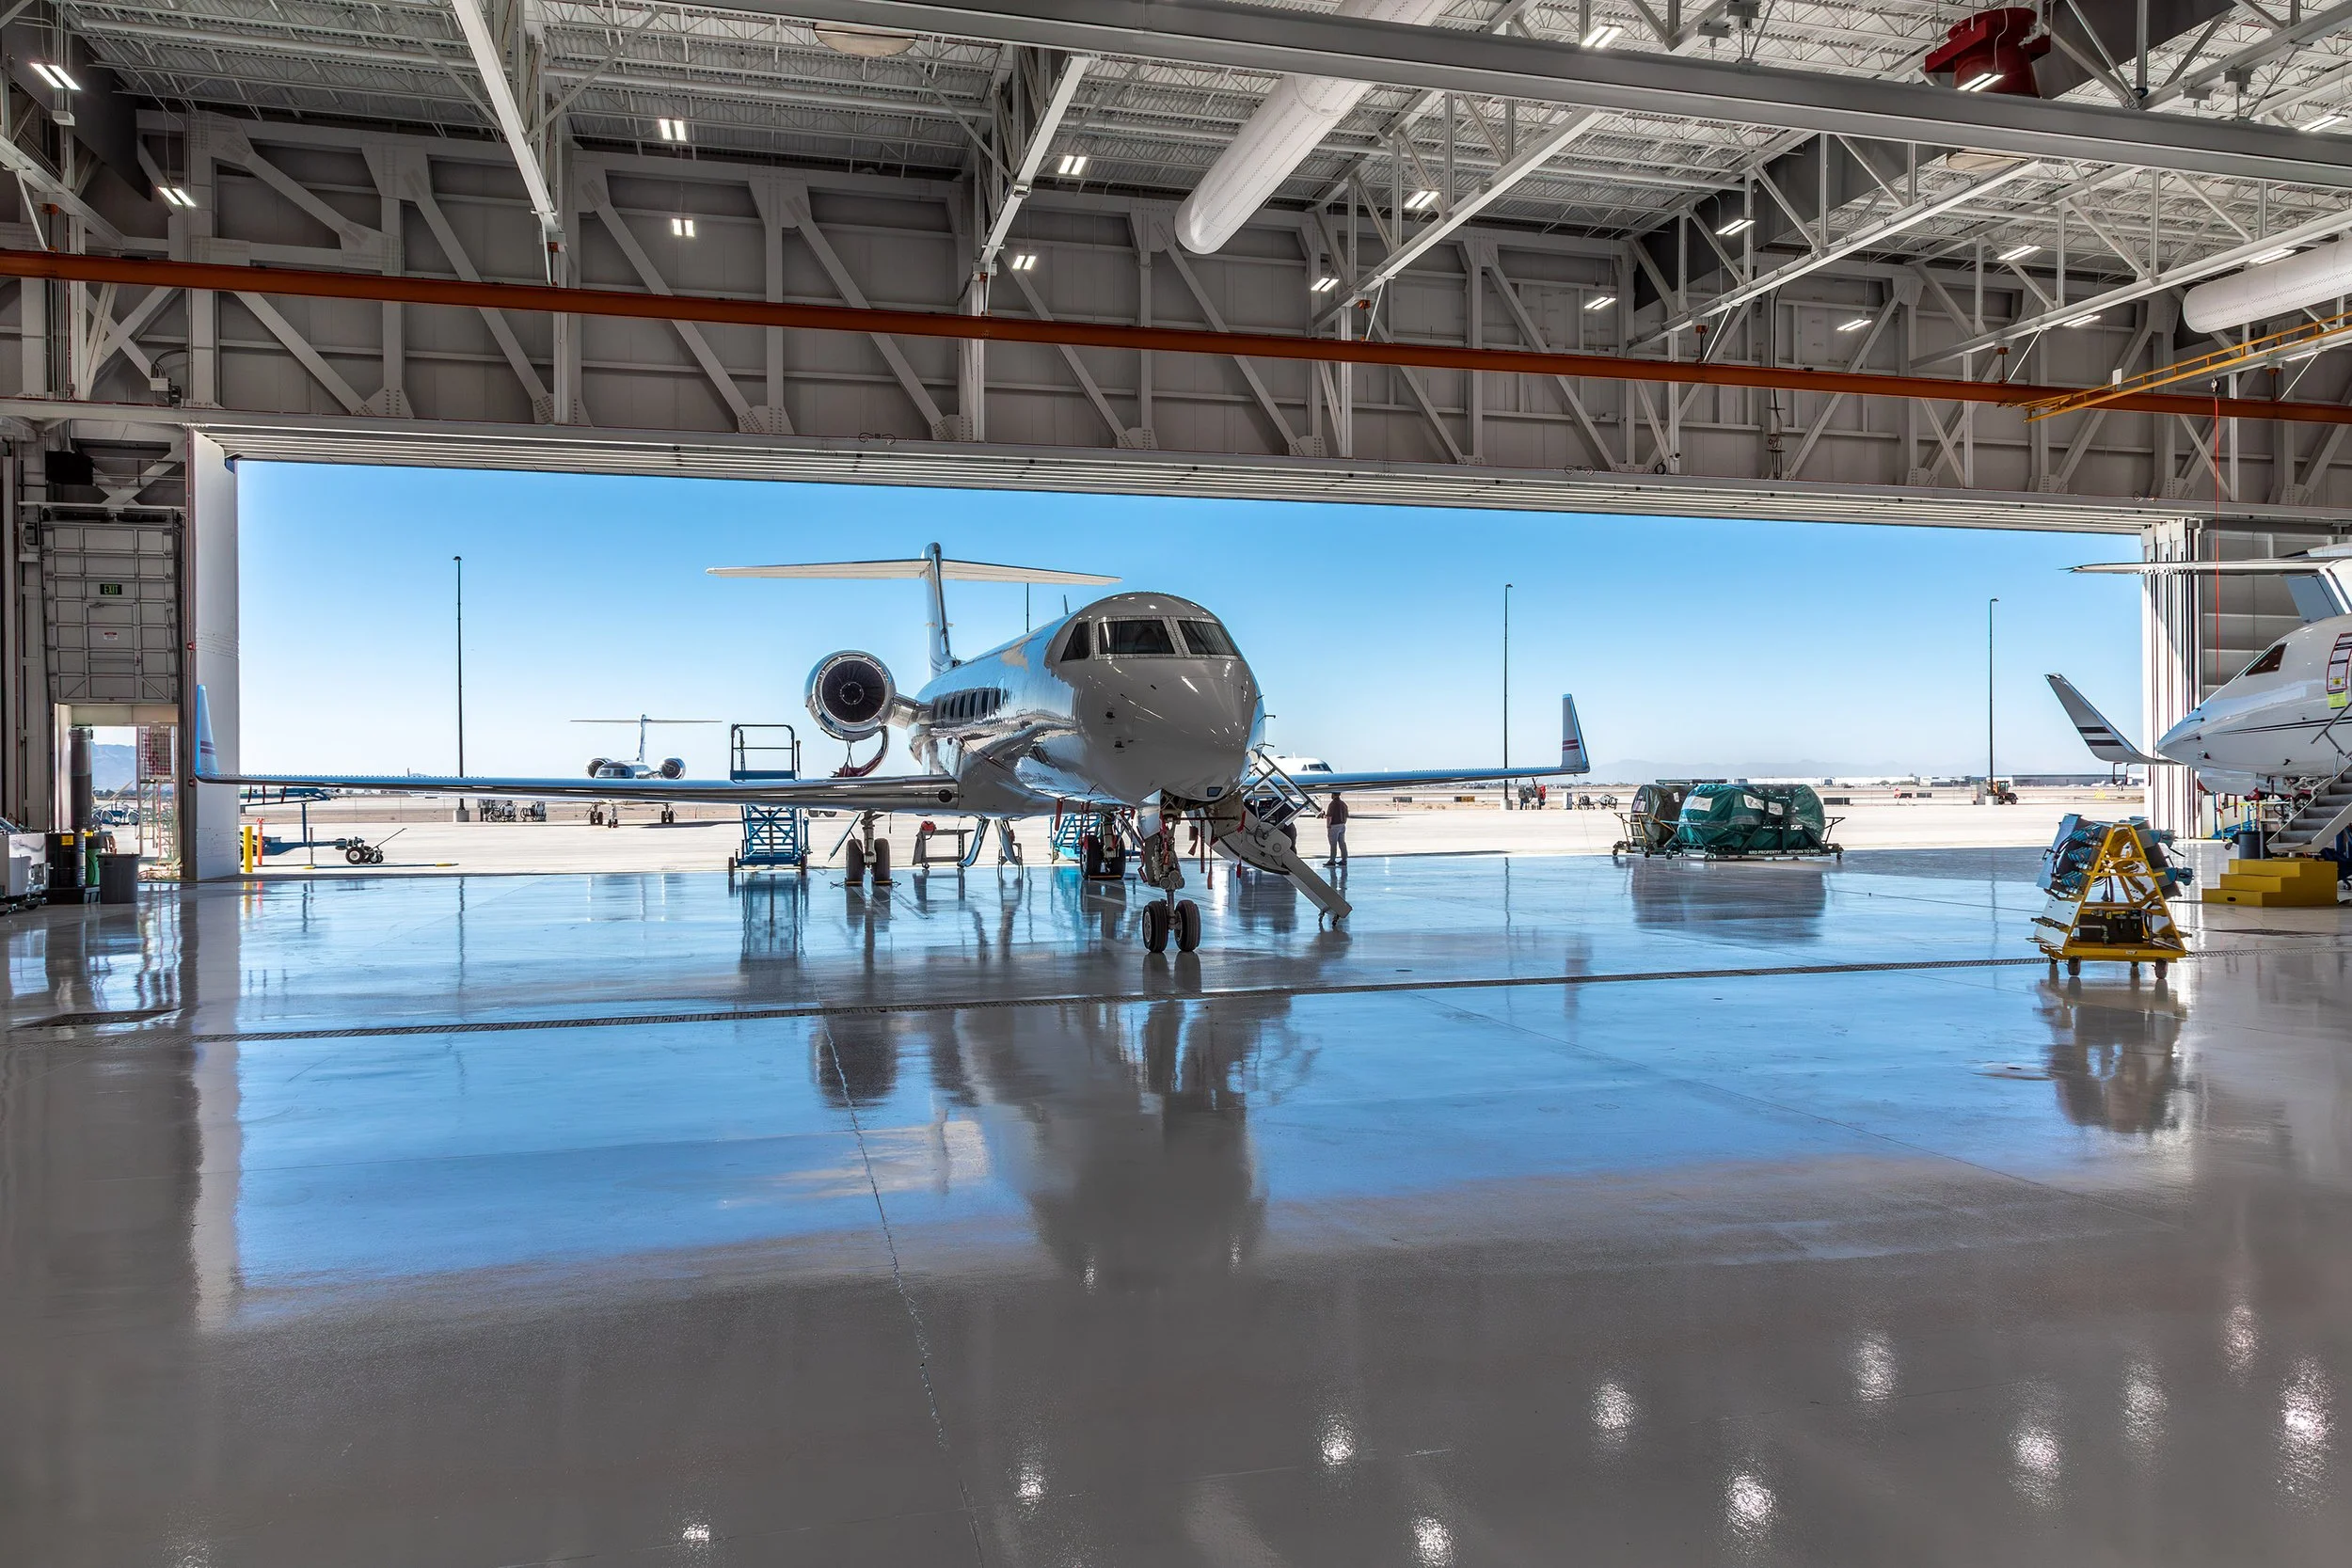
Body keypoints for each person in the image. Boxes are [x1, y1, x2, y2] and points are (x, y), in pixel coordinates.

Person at [1325, 792, 1349, 866]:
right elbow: (1346, 816)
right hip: (1342, 825)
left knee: (1333, 844)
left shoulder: (1332, 804)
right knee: (1342, 843)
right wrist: (1343, 823)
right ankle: (1344, 859)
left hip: (1334, 826)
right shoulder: (1343, 804)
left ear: (1333, 795)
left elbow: (1329, 817)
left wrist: (1328, 826)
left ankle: (1332, 860)